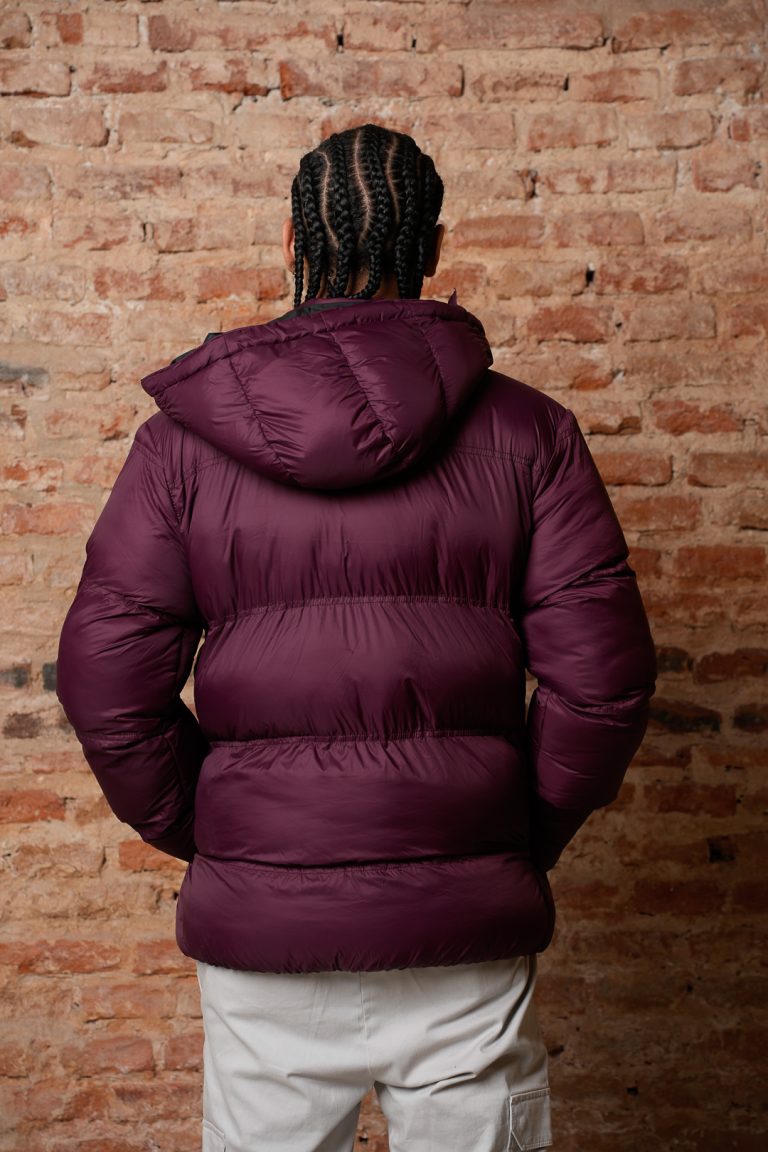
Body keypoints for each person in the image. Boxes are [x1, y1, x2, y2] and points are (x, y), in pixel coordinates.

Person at [56, 123, 657, 1152]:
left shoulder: (179, 450)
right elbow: (603, 686)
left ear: (296, 243)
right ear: (432, 248)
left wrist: (227, 835)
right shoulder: (530, 433)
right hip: (463, 932)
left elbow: (106, 685)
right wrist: (510, 835)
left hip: (267, 938)